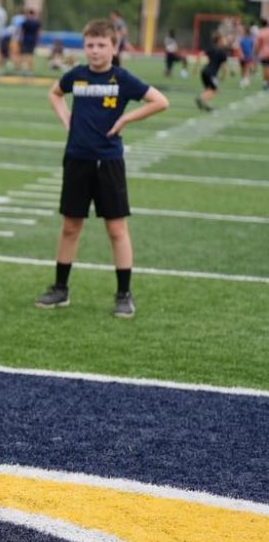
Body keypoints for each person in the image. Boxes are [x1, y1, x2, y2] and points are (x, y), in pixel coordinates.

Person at [36, 18, 169, 318]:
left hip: (108, 161)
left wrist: (125, 120)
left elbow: (160, 101)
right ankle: (60, 288)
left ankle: (123, 293)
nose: (95, 51)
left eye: (101, 45)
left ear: (114, 46)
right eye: (90, 45)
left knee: (116, 228)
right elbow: (54, 93)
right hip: (77, 159)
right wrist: (66, 119)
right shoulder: (77, 76)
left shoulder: (122, 79)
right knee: (70, 225)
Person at [196, 30, 229, 112]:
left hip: (204, 71)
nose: (225, 41)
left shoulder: (211, 48)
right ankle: (201, 99)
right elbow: (224, 67)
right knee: (214, 90)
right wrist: (224, 76)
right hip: (211, 73)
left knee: (208, 89)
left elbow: (200, 55)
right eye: (223, 39)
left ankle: (205, 105)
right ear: (219, 40)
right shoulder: (223, 52)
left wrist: (195, 67)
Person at [18, 8, 42, 75]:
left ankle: (21, 69)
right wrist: (38, 41)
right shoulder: (37, 22)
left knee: (23, 55)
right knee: (31, 55)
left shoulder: (25, 22)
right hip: (33, 40)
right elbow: (39, 33)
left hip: (25, 40)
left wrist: (20, 39)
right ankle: (30, 70)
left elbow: (21, 32)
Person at [255, 18, 269, 90]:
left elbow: (257, 45)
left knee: (266, 68)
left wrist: (256, 53)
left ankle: (266, 82)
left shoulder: (261, 32)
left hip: (265, 53)